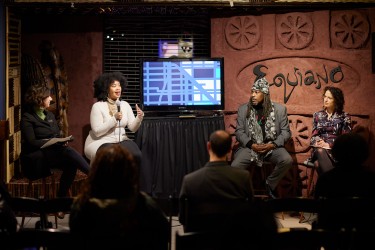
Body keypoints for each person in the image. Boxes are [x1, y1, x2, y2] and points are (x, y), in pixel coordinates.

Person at [69, 144, 170, 250]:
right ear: (131, 174)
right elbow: (161, 238)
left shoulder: (81, 207)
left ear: (96, 173)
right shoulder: (147, 207)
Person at [20, 84, 90, 200]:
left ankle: (61, 198)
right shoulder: (27, 118)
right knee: (68, 152)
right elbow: (32, 142)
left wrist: (61, 141)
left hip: (52, 155)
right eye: (48, 96)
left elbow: (56, 135)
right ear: (39, 99)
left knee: (71, 163)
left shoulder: (50, 115)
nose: (51, 99)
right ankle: (94, 175)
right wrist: (51, 141)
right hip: (35, 158)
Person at [179, 130, 254, 232]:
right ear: (229, 149)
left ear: (208, 146)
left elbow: (183, 219)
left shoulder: (189, 181)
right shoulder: (243, 178)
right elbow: (250, 213)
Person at [231, 77, 293, 199]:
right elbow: (239, 132)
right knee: (234, 167)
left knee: (287, 160)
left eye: (256, 92)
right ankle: (244, 194)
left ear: (265, 94)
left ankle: (270, 184)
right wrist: (250, 144)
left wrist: (273, 145)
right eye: (252, 92)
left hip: (271, 146)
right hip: (250, 147)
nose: (253, 95)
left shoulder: (280, 110)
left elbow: (286, 132)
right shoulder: (244, 109)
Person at [313, 132, 375, 231]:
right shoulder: (371, 179)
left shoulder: (326, 179)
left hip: (332, 236)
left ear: (335, 152)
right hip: (363, 236)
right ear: (364, 153)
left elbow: (318, 208)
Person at [84, 71, 144, 165]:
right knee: (111, 156)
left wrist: (139, 118)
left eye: (119, 85)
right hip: (100, 141)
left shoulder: (125, 105)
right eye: (113, 85)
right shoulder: (98, 106)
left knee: (137, 155)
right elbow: (97, 131)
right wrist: (114, 119)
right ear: (106, 89)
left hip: (121, 140)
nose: (118, 88)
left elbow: (132, 128)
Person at [309, 86, 352, 175]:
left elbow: (346, 139)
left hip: (337, 150)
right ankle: (334, 183)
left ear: (336, 100)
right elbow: (314, 135)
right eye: (325, 96)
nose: (326, 100)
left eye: (329, 98)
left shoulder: (345, 116)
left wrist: (329, 145)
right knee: (320, 150)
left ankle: (328, 186)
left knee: (317, 164)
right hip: (319, 149)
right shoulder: (317, 115)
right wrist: (318, 141)